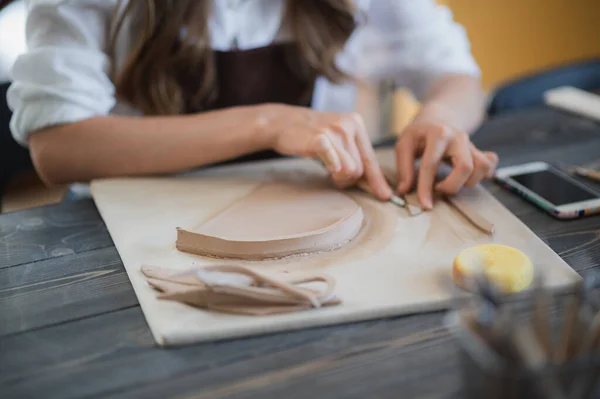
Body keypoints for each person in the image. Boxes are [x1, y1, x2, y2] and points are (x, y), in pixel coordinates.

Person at [6, 0, 498, 209]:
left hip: (304, 210)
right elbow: (58, 147)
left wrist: (439, 119)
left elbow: (457, 76)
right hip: (134, 222)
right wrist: (267, 123)